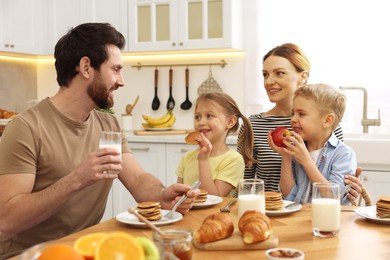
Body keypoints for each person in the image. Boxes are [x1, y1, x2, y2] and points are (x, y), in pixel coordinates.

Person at [0, 23, 199, 258]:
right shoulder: (25, 127)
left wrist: (161, 194)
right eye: (115, 69)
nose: (121, 81)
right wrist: (77, 179)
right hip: (31, 254)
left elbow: (137, 179)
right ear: (86, 67)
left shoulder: (108, 125)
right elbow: (7, 220)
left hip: (89, 248)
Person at [239, 43, 362, 203]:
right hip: (270, 214)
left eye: (279, 73)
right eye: (265, 74)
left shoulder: (323, 125)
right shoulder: (252, 125)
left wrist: (350, 189)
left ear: (302, 77)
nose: (269, 81)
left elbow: (335, 177)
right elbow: (243, 184)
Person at [268, 83, 357, 205]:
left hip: (329, 221)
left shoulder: (343, 154)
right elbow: (288, 196)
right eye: (292, 113)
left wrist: (306, 161)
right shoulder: (296, 150)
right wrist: (286, 156)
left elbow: (334, 196)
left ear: (327, 120)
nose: (293, 119)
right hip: (299, 219)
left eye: (301, 114)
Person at [176, 92, 256, 197]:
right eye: (197, 117)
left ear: (230, 122)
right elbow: (178, 195)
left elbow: (214, 198)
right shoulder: (187, 158)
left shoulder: (233, 160)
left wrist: (203, 160)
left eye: (209, 116)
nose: (201, 122)